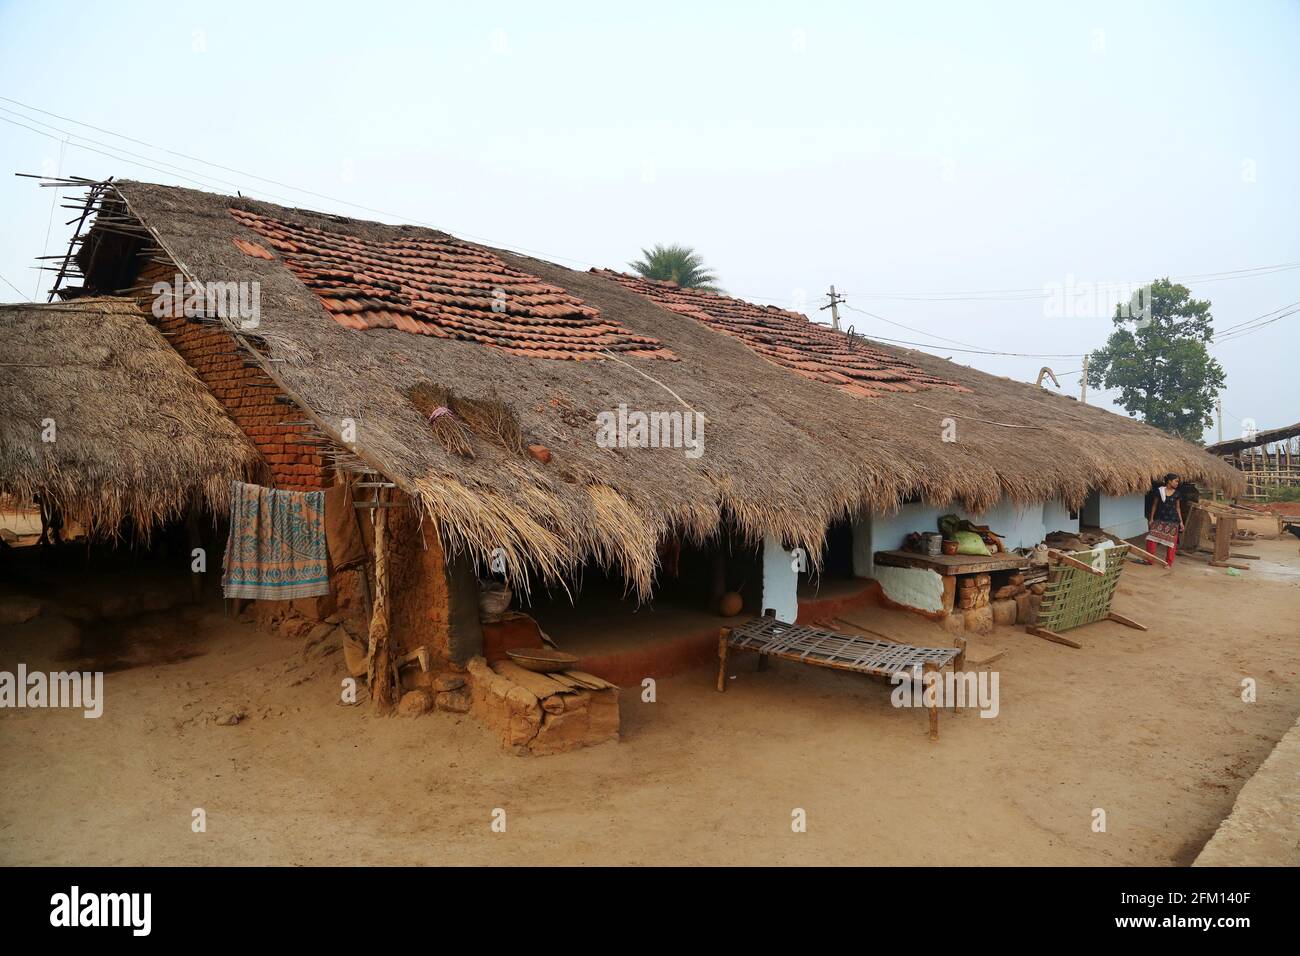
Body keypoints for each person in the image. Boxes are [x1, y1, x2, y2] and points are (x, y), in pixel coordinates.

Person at [1146, 473, 1183, 567]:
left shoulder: (1177, 494)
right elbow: (1154, 505)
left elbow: (1178, 508)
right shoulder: (1159, 491)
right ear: (1169, 481)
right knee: (1151, 538)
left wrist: (1181, 522)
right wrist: (1151, 519)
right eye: (1176, 481)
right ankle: (1150, 559)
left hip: (1173, 521)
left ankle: (1169, 563)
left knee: (1171, 543)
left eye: (1177, 481)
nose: (1177, 483)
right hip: (1159, 519)